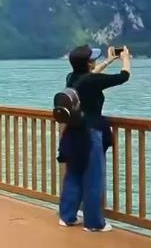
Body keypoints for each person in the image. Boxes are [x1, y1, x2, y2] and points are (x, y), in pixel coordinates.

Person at [58, 45, 131, 232]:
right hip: (91, 134)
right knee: (93, 178)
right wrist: (125, 59)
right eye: (93, 60)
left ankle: (67, 217)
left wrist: (108, 61)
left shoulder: (71, 78)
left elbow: (89, 76)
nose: (95, 62)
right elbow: (123, 77)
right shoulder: (92, 81)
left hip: (73, 133)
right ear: (89, 63)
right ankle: (94, 223)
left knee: (73, 175)